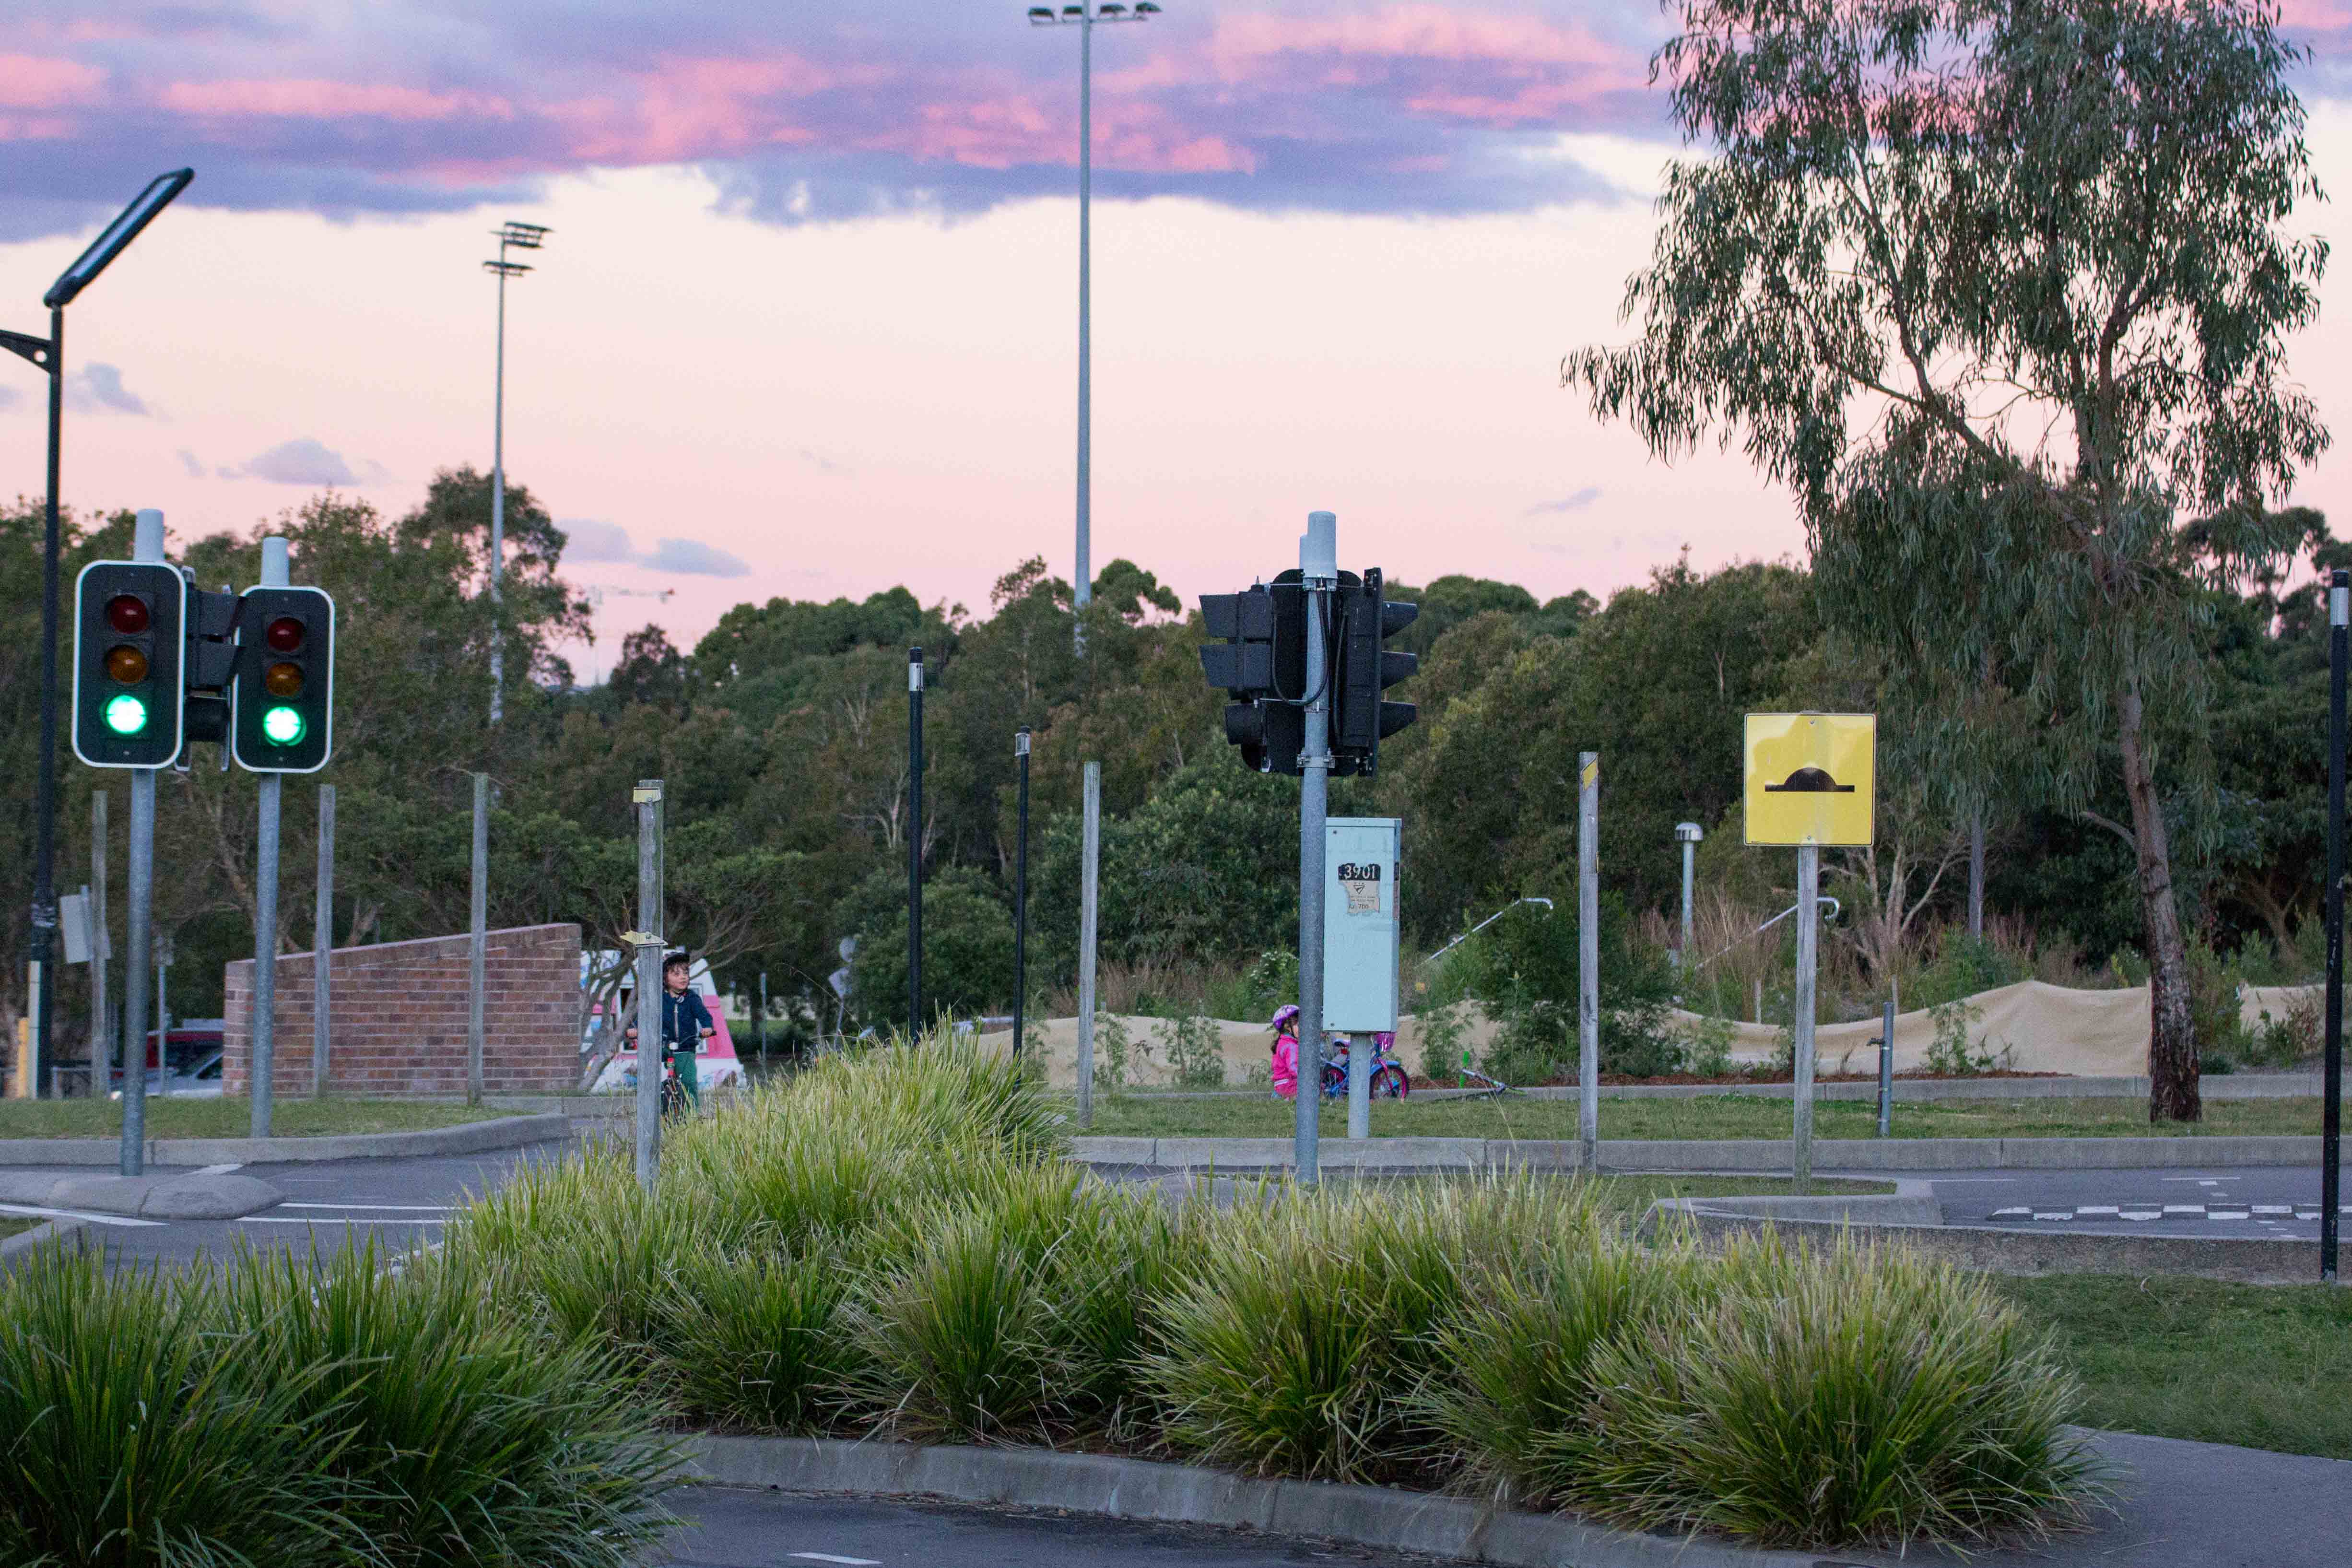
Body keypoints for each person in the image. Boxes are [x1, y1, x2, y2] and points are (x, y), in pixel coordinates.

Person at [625, 952, 716, 1108]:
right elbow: (644, 1016)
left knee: (688, 1082)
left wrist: (707, 1027)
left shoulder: (692, 998)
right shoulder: (659, 999)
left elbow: (704, 1015)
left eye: (686, 973)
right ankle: (656, 1113)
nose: (683, 977)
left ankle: (692, 1116)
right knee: (652, 1082)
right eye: (677, 974)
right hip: (662, 1048)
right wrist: (635, 1028)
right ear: (665, 978)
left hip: (686, 1049)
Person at [1269, 1003, 1301, 1100]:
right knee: (1316, 1088)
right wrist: (1306, 1076)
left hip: (1280, 1086)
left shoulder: (1282, 1042)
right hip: (1289, 1085)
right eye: (1298, 1025)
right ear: (1287, 1027)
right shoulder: (1291, 1046)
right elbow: (1293, 1067)